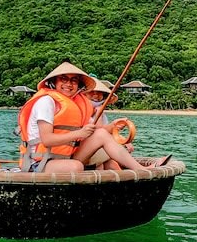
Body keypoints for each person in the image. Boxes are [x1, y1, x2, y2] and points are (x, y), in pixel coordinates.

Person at [17, 62, 150, 172]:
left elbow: (94, 131)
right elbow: (47, 140)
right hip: (38, 162)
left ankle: (139, 169)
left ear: (79, 85)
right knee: (76, 166)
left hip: (66, 157)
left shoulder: (79, 105)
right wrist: (79, 133)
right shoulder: (46, 102)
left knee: (101, 134)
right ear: (54, 82)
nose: (68, 84)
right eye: (63, 79)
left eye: (73, 80)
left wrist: (113, 126)